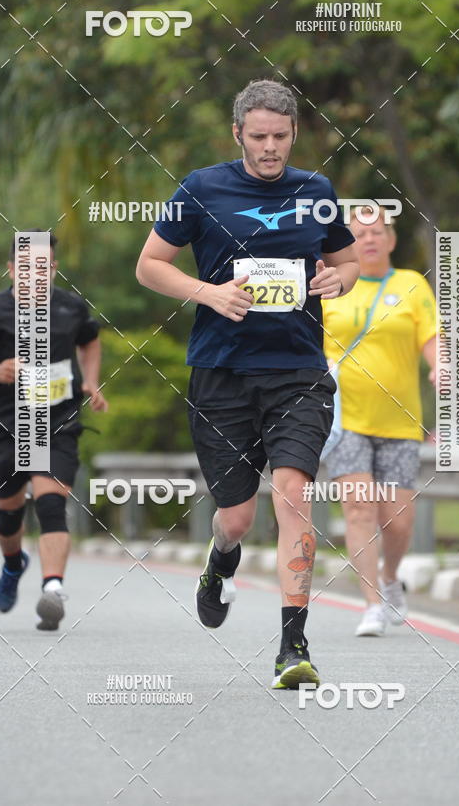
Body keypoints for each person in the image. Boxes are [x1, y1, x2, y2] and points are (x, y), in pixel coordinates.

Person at [136, 79, 359, 689]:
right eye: (258, 137)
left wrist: (340, 281)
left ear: (294, 134)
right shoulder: (202, 188)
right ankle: (220, 562)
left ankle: (293, 645)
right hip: (222, 375)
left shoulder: (316, 192)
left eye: (280, 138)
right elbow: (149, 265)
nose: (269, 149)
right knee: (234, 517)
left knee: (293, 495)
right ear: (237, 134)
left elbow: (347, 261)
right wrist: (209, 292)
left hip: (298, 373)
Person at [0, 230, 108, 630]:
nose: (35, 275)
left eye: (44, 267)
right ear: (10, 270)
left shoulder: (71, 308)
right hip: (9, 422)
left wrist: (90, 381)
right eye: (26, 268)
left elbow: (90, 341)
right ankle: (12, 562)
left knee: (51, 500)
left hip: (58, 419)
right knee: (8, 510)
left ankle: (52, 590)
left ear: (54, 270)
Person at [322, 206, 437, 636]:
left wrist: (439, 367)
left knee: (398, 521)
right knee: (358, 508)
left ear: (391, 239)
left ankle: (390, 578)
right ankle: (371, 605)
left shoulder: (411, 285)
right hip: (345, 417)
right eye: (359, 233)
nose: (368, 239)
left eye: (377, 232)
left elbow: (432, 336)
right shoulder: (332, 284)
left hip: (400, 422)